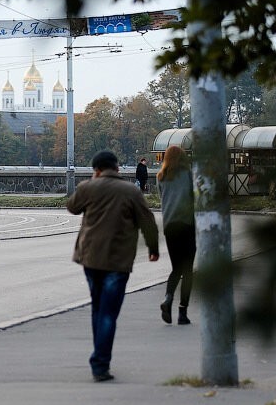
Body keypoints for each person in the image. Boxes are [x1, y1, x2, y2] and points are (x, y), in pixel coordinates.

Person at [67, 150, 160, 382]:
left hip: (90, 257)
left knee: (98, 308)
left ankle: (99, 359)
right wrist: (153, 248)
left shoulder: (88, 187)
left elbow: (72, 207)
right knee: (109, 312)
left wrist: (90, 184)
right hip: (118, 261)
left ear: (96, 170)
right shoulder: (131, 192)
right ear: (117, 168)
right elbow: (147, 221)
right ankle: (100, 363)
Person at [156, 145, 196, 325]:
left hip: (169, 226)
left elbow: (162, 199)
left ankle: (168, 297)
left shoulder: (160, 177)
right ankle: (182, 312)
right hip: (186, 225)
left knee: (176, 268)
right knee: (187, 270)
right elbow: (194, 196)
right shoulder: (187, 174)